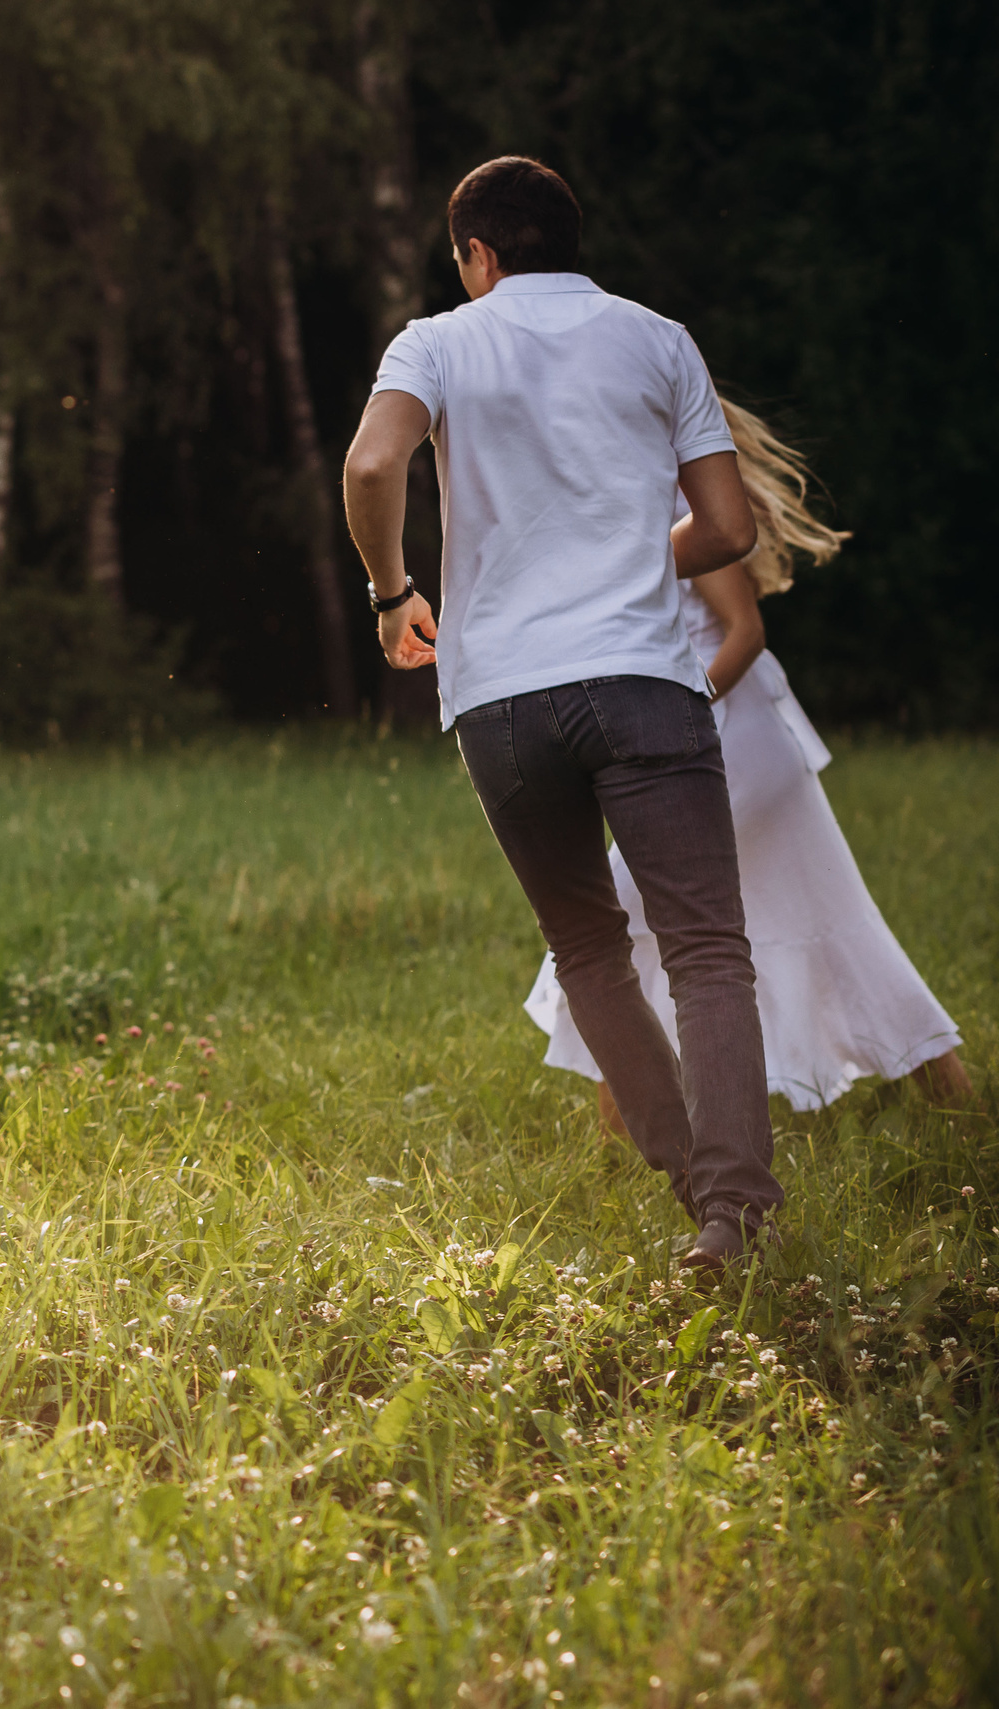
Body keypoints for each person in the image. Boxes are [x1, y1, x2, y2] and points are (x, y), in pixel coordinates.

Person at [343, 156, 779, 1270]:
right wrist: (624, 558)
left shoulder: (435, 341)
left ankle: (696, 1189)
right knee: (706, 950)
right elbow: (729, 529)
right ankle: (732, 1211)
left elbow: (372, 463)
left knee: (588, 948)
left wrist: (392, 595)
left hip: (501, 699)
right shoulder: (659, 340)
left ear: (477, 255)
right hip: (643, 682)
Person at [524, 400, 971, 1119]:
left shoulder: (680, 500)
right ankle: (960, 1108)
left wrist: (674, 712)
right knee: (828, 925)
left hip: (734, 739)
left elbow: (744, 632)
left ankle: (630, 1141)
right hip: (713, 741)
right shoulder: (621, 505)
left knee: (613, 924)